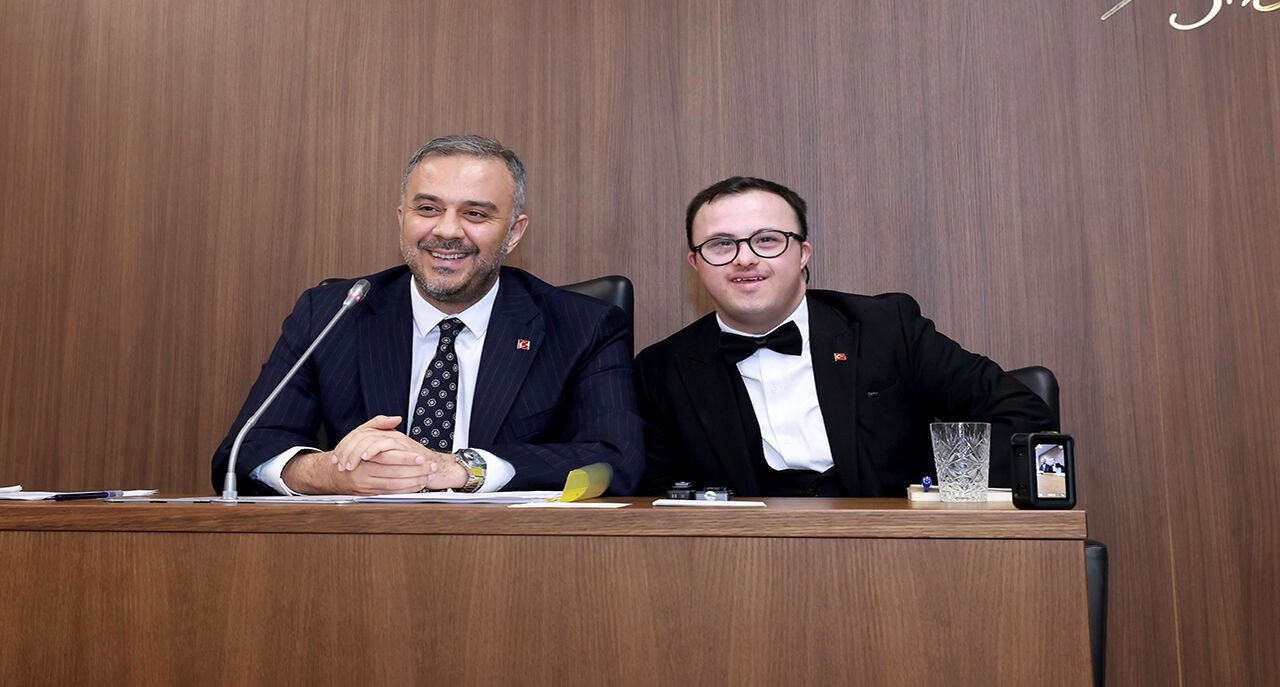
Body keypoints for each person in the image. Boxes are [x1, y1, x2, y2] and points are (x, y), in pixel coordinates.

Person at [213, 135, 643, 496]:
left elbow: (616, 460)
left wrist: (458, 468)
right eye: (428, 209)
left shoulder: (583, 326)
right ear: (402, 219)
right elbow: (244, 452)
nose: (447, 231)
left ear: (514, 233)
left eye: (475, 214)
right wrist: (331, 472)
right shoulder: (333, 315)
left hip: (512, 555)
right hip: (357, 552)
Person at [634, 176, 1055, 497]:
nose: (745, 258)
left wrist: (935, 491)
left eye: (767, 240)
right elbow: (657, 496)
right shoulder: (661, 370)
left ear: (803, 254)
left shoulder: (886, 328)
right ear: (695, 263)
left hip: (898, 553)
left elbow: (1022, 415)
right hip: (746, 565)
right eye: (721, 244)